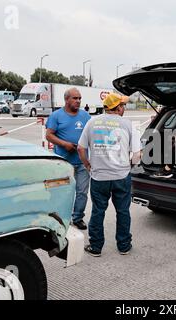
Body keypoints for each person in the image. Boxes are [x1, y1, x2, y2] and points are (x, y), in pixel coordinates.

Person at [78, 92, 141, 257]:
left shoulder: (92, 122)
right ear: (118, 107)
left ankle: (96, 247)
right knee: (123, 211)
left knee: (98, 211)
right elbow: (137, 153)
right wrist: (129, 166)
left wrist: (87, 165)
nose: (124, 108)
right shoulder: (127, 124)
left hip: (99, 177)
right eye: (123, 105)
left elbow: (80, 148)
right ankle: (124, 246)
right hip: (121, 176)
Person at [46, 88, 91, 230]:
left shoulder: (86, 116)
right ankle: (62, 218)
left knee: (82, 192)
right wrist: (64, 144)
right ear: (66, 100)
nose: (78, 101)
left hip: (83, 162)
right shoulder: (56, 116)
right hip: (63, 162)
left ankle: (77, 217)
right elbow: (49, 135)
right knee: (64, 191)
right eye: (75, 98)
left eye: (79, 98)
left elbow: (91, 135)